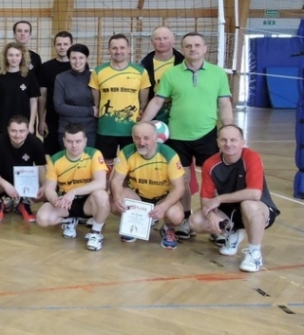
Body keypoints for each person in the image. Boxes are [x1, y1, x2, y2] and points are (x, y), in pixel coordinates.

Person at [141, 32, 233, 240]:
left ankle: (215, 223)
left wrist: (229, 129)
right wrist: (143, 124)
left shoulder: (218, 74)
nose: (193, 49)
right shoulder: (172, 74)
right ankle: (185, 219)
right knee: (181, 180)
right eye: (188, 46)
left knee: (214, 180)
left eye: (197, 45)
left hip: (207, 135)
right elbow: (157, 101)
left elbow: (224, 103)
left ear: (205, 48)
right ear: (182, 50)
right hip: (177, 136)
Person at [187, 125, 280, 272]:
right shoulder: (210, 164)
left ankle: (254, 253)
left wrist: (220, 198)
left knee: (248, 205)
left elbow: (255, 194)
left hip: (259, 209)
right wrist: (211, 216)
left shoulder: (252, 157)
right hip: (229, 211)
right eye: (223, 140)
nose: (228, 144)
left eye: (233, 140)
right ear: (218, 142)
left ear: (242, 142)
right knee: (195, 221)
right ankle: (232, 233)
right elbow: (206, 199)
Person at [110, 121, 186, 249]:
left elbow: (179, 188)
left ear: (156, 138)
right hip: (138, 197)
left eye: (146, 138)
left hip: (162, 198)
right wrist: (117, 197)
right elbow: (116, 180)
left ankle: (168, 229)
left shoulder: (169, 155)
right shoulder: (126, 152)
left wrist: (164, 206)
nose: (141, 142)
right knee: (113, 202)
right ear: (132, 138)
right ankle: (135, 223)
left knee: (176, 216)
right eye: (137, 138)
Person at [35, 124, 110, 251]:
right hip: (67, 203)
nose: (74, 145)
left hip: (89, 202)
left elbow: (101, 183)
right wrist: (55, 200)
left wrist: (74, 192)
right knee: (42, 218)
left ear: (85, 141)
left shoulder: (94, 154)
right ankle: (70, 220)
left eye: (78, 141)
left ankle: (96, 233)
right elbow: (49, 189)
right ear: (64, 141)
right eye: (70, 141)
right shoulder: (55, 159)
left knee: (102, 195)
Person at [89, 33, 150, 166]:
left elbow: (143, 98)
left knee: (131, 163)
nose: (118, 51)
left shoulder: (141, 72)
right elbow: (96, 97)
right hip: (106, 127)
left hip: (131, 128)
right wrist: (97, 107)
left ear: (129, 49)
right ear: (109, 50)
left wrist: (141, 111)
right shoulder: (98, 72)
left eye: (122, 47)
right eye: (114, 48)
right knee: (105, 163)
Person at [0, 115, 45, 223]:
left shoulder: (35, 143)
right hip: (2, 183)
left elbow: (41, 167)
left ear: (27, 130)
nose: (17, 135)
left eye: (22, 131)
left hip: (25, 182)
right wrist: (6, 185)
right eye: (13, 131)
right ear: (8, 129)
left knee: (48, 188)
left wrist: (45, 186)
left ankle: (24, 204)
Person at [0, 42, 39, 137]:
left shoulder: (29, 76)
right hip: (3, 123)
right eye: (10, 55)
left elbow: (33, 101)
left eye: (17, 55)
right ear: (5, 57)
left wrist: (31, 124)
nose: (14, 58)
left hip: (24, 123)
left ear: (22, 57)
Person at [53, 43, 97, 148]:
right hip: (67, 130)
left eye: (81, 58)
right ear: (69, 59)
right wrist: (90, 111)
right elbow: (59, 107)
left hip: (89, 130)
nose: (77, 61)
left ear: (86, 58)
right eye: (73, 58)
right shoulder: (61, 78)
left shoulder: (94, 77)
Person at [37, 31, 73, 154]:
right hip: (52, 120)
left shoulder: (78, 66)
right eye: (59, 44)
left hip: (72, 119)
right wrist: (41, 120)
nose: (62, 47)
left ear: (71, 45)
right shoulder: (46, 67)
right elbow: (42, 96)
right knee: (51, 155)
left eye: (65, 44)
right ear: (54, 46)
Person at [140, 26, 183, 124]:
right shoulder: (143, 66)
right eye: (157, 39)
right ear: (152, 41)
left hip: (179, 118)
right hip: (154, 119)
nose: (162, 42)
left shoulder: (184, 63)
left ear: (173, 39)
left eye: (165, 38)